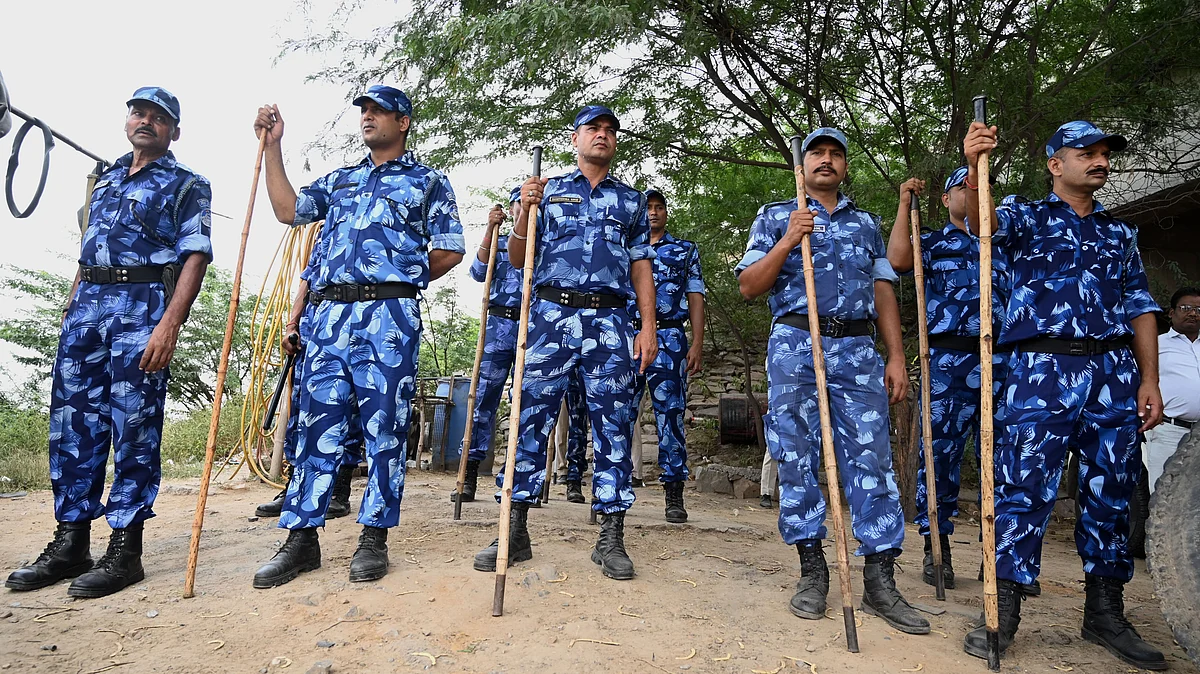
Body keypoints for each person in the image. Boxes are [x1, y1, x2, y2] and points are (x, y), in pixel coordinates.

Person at [961, 120, 1166, 669]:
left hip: (1112, 372)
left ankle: (1104, 613)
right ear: (1056, 164)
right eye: (1086, 153)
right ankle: (1000, 611)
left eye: (1104, 154)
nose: (1099, 161)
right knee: (1021, 489)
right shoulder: (1026, 217)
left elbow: (1140, 307)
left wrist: (1149, 379)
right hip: (1039, 368)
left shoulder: (1120, 235)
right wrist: (977, 161)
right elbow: (977, 221)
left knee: (1113, 494)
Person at [250, 85, 464, 588]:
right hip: (328, 318)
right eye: (363, 110)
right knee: (314, 428)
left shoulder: (429, 181)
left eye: (379, 110)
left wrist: (400, 280)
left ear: (404, 121)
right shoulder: (340, 181)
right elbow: (287, 210)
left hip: (388, 316)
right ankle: (302, 539)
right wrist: (273, 146)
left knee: (383, 429)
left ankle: (374, 538)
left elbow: (452, 249)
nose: (368, 117)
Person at [5, 88, 211, 598]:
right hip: (88, 309)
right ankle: (71, 541)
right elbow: (87, 248)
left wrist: (169, 325)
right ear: (128, 121)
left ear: (174, 131)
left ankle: (125, 550)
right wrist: (73, 301)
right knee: (72, 424)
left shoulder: (188, 184)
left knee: (134, 427)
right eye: (139, 113)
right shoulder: (108, 178)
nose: (146, 122)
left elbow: (195, 256)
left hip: (142, 308)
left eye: (159, 118)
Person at [735, 127, 929, 635]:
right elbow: (749, 286)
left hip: (859, 350)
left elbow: (884, 288)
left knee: (872, 458)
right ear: (801, 166)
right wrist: (789, 238)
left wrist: (895, 355)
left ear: (845, 166)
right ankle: (812, 569)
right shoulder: (777, 215)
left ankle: (880, 580)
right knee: (796, 454)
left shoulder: (865, 224)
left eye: (835, 154)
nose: (826, 160)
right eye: (816, 152)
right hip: (797, 344)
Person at [473, 105, 657, 580]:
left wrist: (648, 326)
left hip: (612, 320)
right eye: (593, 128)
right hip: (551, 317)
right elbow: (517, 258)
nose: (603, 135)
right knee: (529, 419)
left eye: (610, 130)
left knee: (613, 424)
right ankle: (513, 528)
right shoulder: (544, 191)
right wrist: (522, 215)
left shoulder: (631, 202)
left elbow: (641, 267)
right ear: (574, 138)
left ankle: (611, 534)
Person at [885, 168, 1008, 591]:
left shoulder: (1003, 240)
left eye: (979, 187)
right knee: (939, 459)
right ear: (945, 200)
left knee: (1002, 460)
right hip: (947, 360)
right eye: (963, 187)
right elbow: (898, 261)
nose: (971, 193)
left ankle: (999, 556)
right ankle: (937, 548)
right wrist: (904, 204)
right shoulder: (934, 242)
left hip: (1001, 361)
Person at [254, 241, 364, 520]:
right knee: (301, 408)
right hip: (311, 326)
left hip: (349, 321)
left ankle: (339, 491)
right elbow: (307, 280)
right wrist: (292, 325)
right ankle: (294, 488)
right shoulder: (325, 232)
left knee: (347, 408)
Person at [628, 188, 706, 522]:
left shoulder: (685, 250)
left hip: (671, 336)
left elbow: (696, 295)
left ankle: (674, 493)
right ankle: (612, 489)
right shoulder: (627, 246)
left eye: (660, 208)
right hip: (629, 336)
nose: (654, 213)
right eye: (648, 208)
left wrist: (697, 342)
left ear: (666, 213)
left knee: (671, 416)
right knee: (619, 415)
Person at [451, 191, 522, 503]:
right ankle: (469, 473)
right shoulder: (501, 241)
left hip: (532, 328)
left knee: (525, 399)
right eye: (519, 205)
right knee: (482, 400)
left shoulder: (546, 242)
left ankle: (515, 476)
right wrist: (490, 230)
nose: (525, 210)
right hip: (497, 328)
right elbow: (478, 272)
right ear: (511, 209)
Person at [1145, 286, 1200, 491]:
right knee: (1164, 492)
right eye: (1186, 307)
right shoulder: (1155, 345)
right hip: (1169, 430)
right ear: (1171, 313)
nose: (1193, 313)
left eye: (1199, 310)